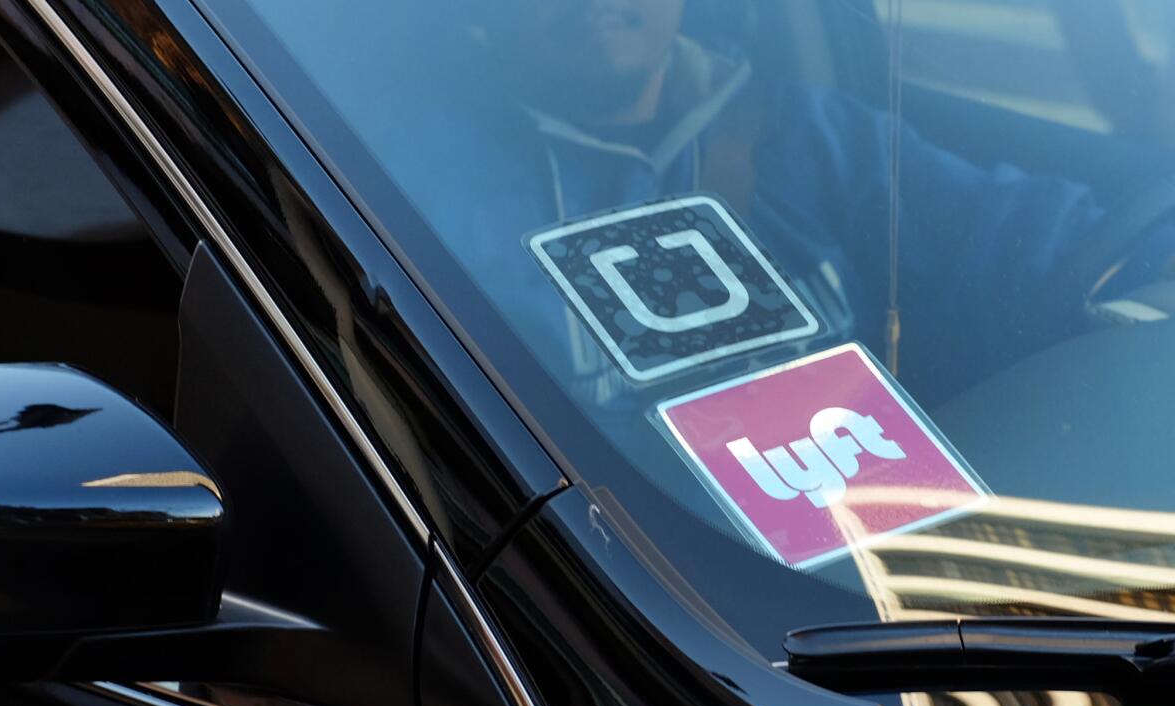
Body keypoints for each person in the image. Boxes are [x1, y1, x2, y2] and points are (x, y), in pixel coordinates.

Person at [372, 0, 1171, 410]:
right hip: (626, 620)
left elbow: (1075, 250)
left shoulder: (812, 137)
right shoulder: (413, 196)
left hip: (874, 599)